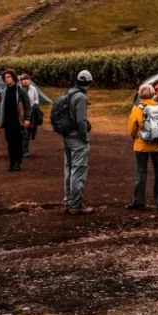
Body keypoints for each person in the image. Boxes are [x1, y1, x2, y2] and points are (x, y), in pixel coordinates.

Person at [127, 84, 158, 209]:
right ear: (153, 94)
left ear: (140, 94)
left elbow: (132, 128)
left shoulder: (137, 109)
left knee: (141, 172)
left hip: (141, 145)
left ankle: (139, 201)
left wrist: (134, 137)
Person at [60, 70, 93, 215]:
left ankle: (68, 201)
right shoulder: (80, 97)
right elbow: (81, 120)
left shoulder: (69, 93)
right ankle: (76, 204)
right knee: (78, 169)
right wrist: (84, 137)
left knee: (69, 168)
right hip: (76, 137)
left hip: (66, 135)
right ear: (89, 83)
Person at [0, 70, 31, 171]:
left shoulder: (20, 91)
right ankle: (12, 163)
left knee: (17, 142)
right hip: (7, 121)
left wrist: (27, 119)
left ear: (13, 77)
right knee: (10, 143)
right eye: (5, 77)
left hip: (18, 121)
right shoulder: (3, 91)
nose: (7, 79)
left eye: (8, 77)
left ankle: (18, 162)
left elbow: (27, 105)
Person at [20, 73, 41, 154]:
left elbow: (36, 99)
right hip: (21, 112)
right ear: (20, 81)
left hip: (30, 112)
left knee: (28, 131)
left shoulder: (33, 89)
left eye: (26, 79)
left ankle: (25, 150)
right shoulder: (18, 89)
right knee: (21, 131)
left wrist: (35, 105)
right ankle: (21, 149)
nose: (25, 81)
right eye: (23, 79)